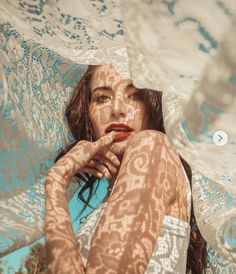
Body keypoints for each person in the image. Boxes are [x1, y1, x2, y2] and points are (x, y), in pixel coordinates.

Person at [44, 64, 207, 273]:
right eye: (102, 98)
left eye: (135, 95)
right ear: (87, 114)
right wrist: (56, 179)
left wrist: (56, 184)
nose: (117, 109)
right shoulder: (109, 198)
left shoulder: (152, 144)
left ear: (154, 106)